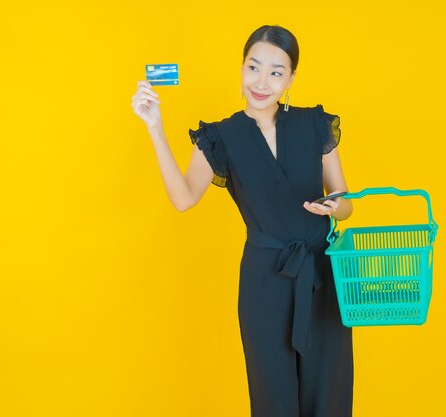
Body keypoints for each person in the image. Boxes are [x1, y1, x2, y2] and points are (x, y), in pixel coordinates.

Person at [132, 24, 354, 417]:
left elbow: (345, 200)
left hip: (323, 275)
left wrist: (333, 207)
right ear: (241, 67)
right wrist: (155, 128)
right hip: (264, 281)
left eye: (276, 72)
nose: (262, 82)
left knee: (329, 394)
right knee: (275, 399)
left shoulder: (314, 125)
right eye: (254, 67)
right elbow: (183, 199)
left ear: (291, 79)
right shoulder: (221, 137)